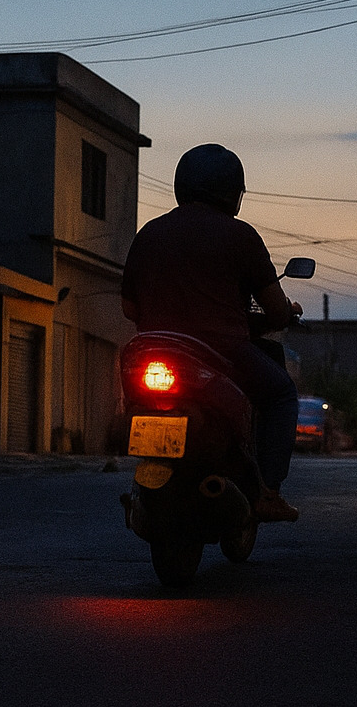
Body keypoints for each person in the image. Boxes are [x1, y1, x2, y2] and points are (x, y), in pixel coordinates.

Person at [121, 144, 303, 522]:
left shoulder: (149, 233)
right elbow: (274, 311)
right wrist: (287, 313)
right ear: (233, 191)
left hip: (150, 350)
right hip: (222, 351)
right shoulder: (240, 236)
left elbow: (129, 309)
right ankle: (268, 493)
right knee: (282, 394)